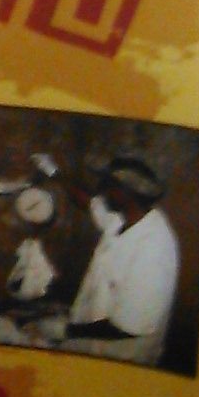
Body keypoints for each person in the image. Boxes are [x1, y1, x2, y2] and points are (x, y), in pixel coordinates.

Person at [56, 157, 181, 368]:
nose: (101, 191)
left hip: (121, 358)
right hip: (92, 341)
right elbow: (89, 203)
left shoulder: (154, 248)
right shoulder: (121, 220)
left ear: (125, 192)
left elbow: (126, 328)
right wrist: (55, 174)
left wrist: (66, 329)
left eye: (107, 185)